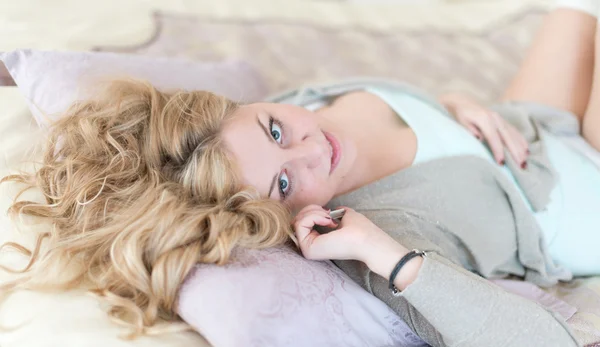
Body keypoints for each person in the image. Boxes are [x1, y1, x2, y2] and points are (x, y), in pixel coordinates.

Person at [1, 2, 599, 347]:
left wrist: (456, 100)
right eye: (285, 185)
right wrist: (383, 254)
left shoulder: (295, 106)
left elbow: (417, 119)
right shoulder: (377, 236)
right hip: (583, 184)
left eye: (275, 130)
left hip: (525, 121)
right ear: (277, 218)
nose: (313, 149)